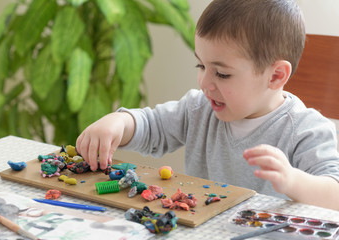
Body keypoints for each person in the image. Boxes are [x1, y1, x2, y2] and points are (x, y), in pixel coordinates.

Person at [76, 0, 339, 210]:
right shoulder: (199, 108)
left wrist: (292, 180)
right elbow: (152, 126)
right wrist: (119, 122)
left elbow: (334, 195)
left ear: (275, 76)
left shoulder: (307, 129)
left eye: (222, 74)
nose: (204, 82)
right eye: (200, 65)